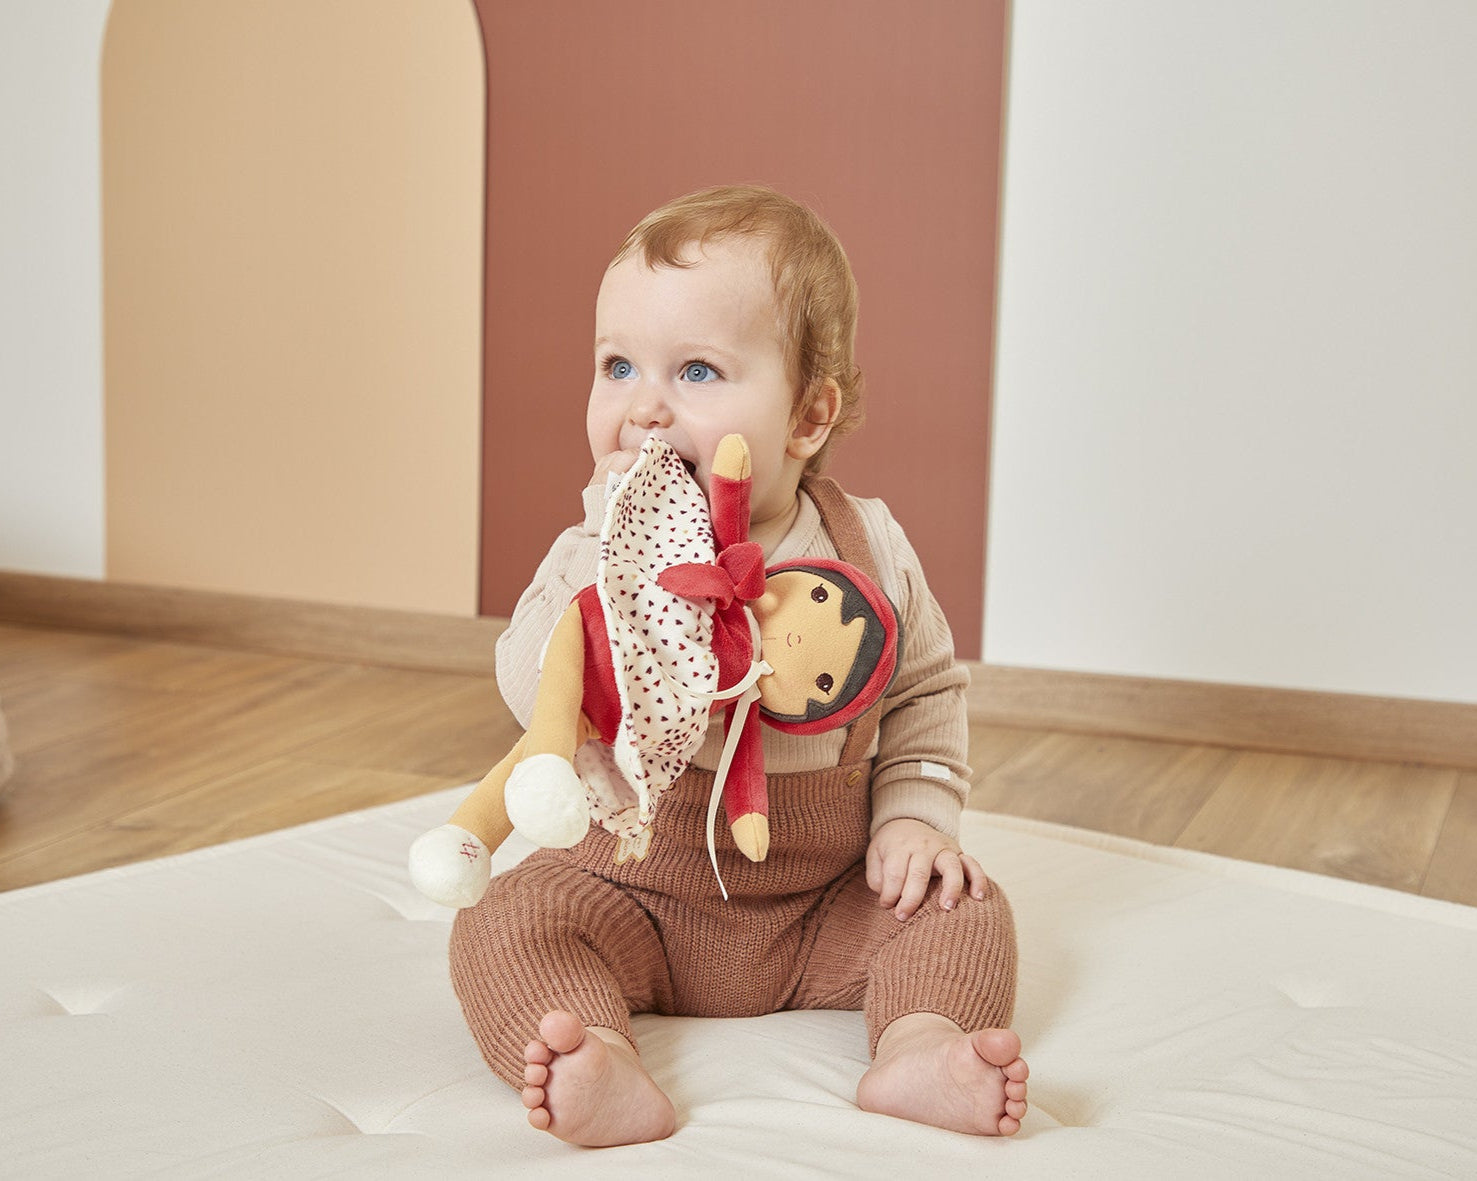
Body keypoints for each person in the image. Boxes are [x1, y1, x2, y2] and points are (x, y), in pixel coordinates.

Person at [448, 185, 1027, 1147]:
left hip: (821, 901)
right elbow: (530, 689)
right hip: (625, 886)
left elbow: (924, 688)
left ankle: (921, 1044)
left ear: (807, 415)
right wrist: (602, 546)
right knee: (503, 918)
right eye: (618, 365)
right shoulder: (598, 545)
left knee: (965, 905)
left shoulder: (863, 546)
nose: (643, 407)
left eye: (698, 371)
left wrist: (917, 820)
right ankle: (597, 1053)